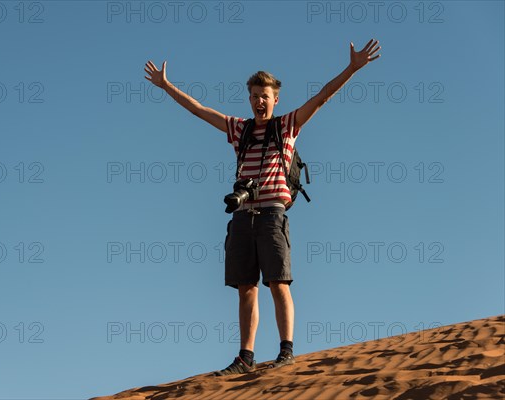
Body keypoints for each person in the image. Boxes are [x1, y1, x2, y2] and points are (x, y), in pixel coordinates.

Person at [144, 39, 381, 376]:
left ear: (275, 99)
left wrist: (353, 69)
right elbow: (199, 110)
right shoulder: (239, 130)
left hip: (272, 214)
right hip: (241, 216)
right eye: (254, 95)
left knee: (278, 282)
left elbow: (321, 97)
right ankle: (246, 356)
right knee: (245, 288)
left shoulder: (286, 126)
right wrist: (167, 86)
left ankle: (286, 350)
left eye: (264, 96)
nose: (259, 101)